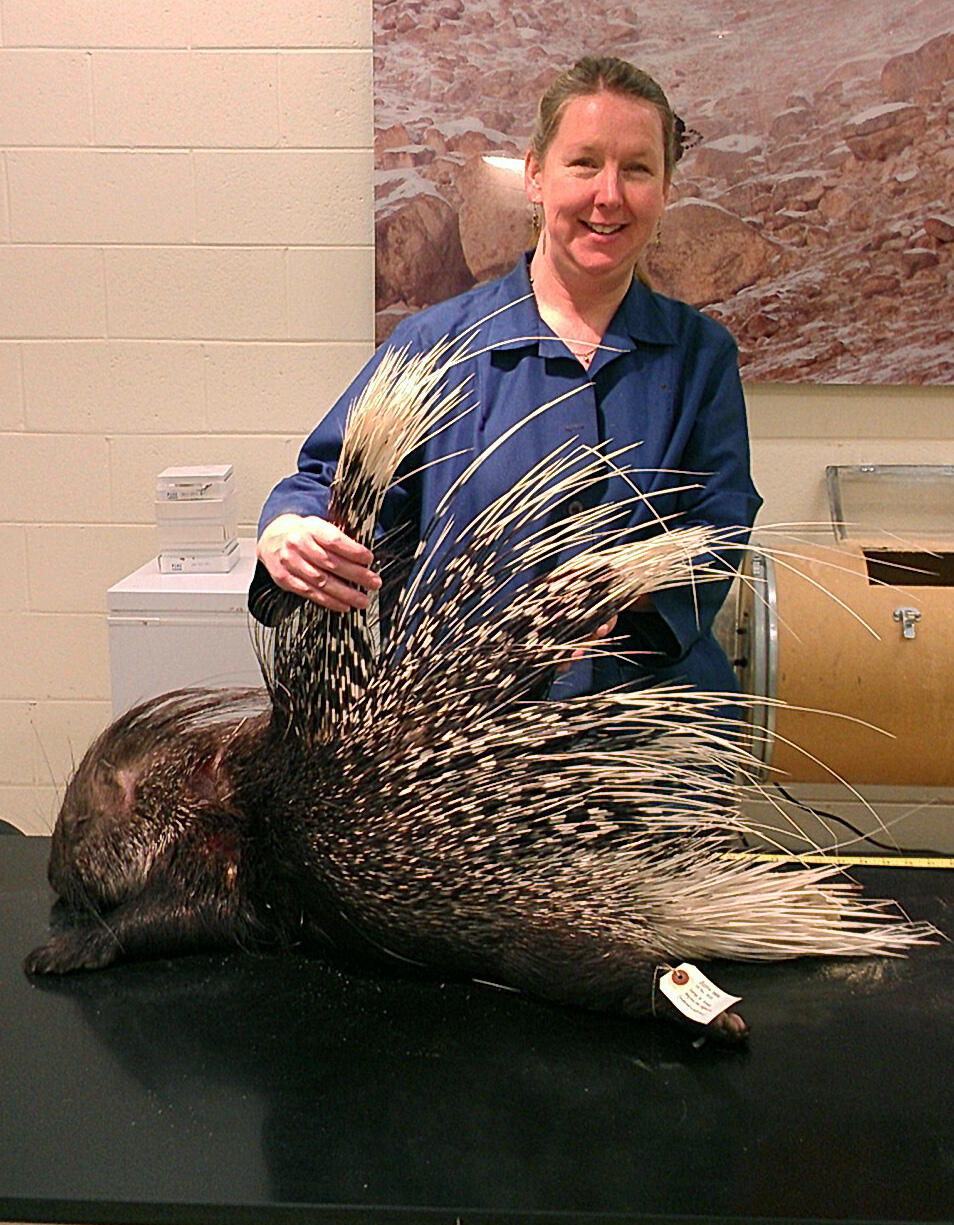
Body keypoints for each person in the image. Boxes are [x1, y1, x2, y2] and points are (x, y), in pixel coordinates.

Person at [250, 55, 761, 702]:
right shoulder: (434, 346)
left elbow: (720, 524)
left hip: (650, 729)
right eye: (584, 164)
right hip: (458, 728)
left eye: (637, 169)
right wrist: (289, 529)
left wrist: (629, 595)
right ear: (535, 175)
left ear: (666, 190)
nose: (609, 195)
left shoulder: (700, 358)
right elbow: (333, 482)